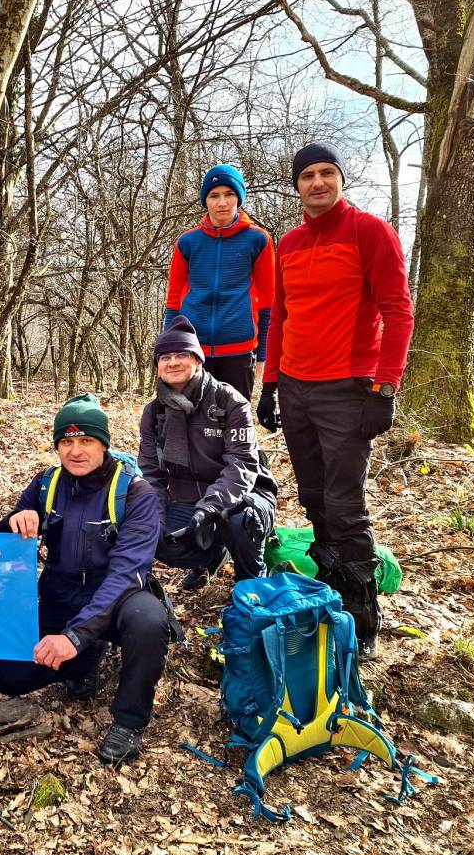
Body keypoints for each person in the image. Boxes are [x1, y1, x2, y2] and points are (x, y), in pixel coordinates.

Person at [257, 141, 414, 656]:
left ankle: (362, 616)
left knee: (346, 507)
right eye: (308, 176)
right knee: (315, 500)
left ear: (341, 180)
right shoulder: (292, 243)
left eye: (328, 173)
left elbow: (398, 310)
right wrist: (271, 382)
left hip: (348, 390)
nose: (318, 183)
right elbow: (281, 317)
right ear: (297, 185)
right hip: (297, 388)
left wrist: (385, 386)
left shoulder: (370, 231)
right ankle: (332, 596)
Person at [0, 394, 178, 765]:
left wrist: (74, 636)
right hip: (61, 591)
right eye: (66, 441)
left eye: (86, 440)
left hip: (118, 597)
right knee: (6, 676)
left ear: (103, 443)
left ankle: (129, 721)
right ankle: (84, 662)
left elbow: (127, 573)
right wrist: (14, 521)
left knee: (149, 622)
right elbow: (6, 542)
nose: (76, 451)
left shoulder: (136, 493)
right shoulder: (46, 483)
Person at [139, 316, 278, 591]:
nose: (173, 362)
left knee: (239, 519)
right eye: (165, 357)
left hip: (244, 493)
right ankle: (209, 558)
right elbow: (150, 473)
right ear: (157, 366)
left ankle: (251, 579)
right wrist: (155, 516)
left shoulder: (230, 402)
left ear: (199, 360)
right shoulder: (154, 412)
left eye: (182, 354)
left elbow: (242, 465)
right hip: (187, 495)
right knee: (150, 529)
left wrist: (210, 507)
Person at [163, 163, 275, 399]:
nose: (222, 203)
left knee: (234, 425)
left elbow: (268, 303)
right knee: (192, 426)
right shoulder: (187, 242)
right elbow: (174, 301)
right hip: (192, 350)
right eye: (214, 196)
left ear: (239, 198)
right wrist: (167, 350)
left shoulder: (258, 239)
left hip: (240, 351)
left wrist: (263, 356)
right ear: (205, 200)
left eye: (229, 194)